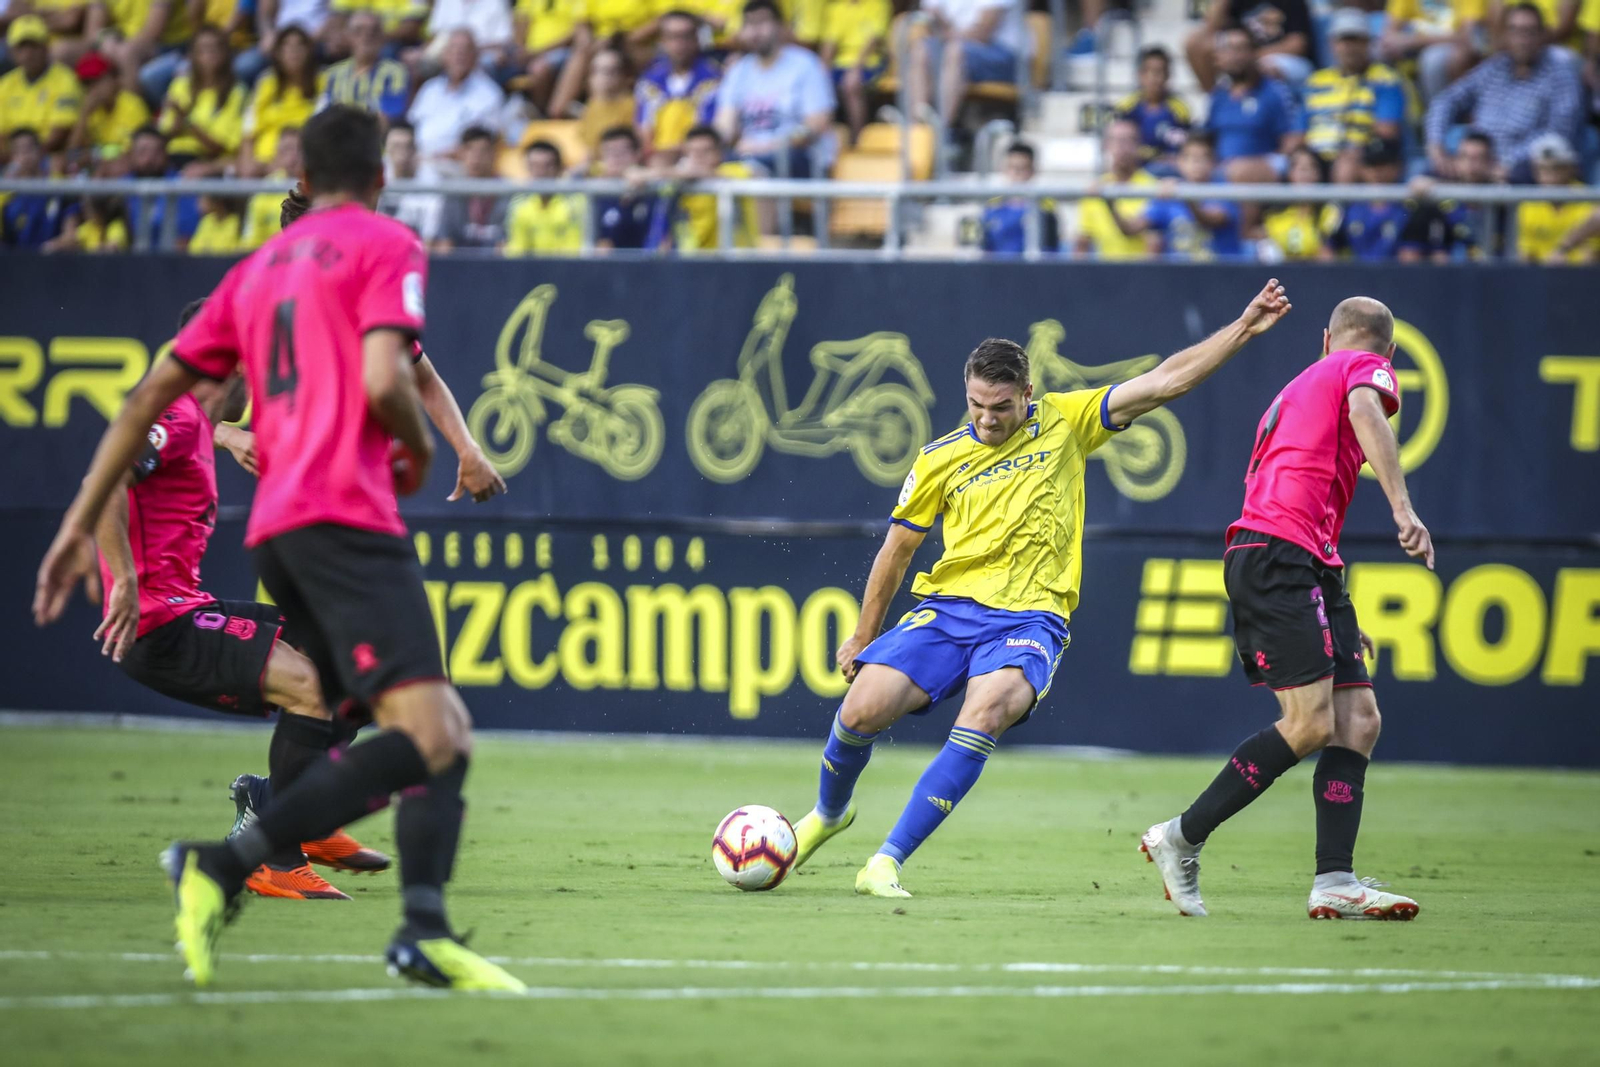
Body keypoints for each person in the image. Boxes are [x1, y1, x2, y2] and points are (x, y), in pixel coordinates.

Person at [32, 104, 524, 993]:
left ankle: (258, 855)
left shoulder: (255, 273)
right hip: (346, 517)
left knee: (367, 710)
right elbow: (390, 374)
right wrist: (414, 446)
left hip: (278, 532)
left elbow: (143, 401)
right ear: (379, 180)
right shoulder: (385, 245)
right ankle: (394, 917)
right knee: (436, 723)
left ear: (300, 179)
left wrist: (74, 531)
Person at [790, 280, 1294, 898]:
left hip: (1030, 618)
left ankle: (886, 861)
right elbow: (898, 549)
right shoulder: (938, 458)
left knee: (989, 708)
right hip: (949, 609)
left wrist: (1242, 328)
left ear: (1027, 394)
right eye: (976, 403)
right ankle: (828, 813)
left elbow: (1166, 381)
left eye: (1000, 405)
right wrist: (863, 636)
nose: (986, 417)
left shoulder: (1067, 421)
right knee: (861, 707)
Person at [1140, 297, 1431, 922]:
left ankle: (1335, 881)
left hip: (1301, 560)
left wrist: (1330, 609)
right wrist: (1403, 510)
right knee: (1310, 724)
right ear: (1390, 353)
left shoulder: (1301, 384)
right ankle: (1180, 837)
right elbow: (1364, 412)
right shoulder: (1363, 371)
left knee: (1360, 720)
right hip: (1280, 555)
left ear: (1325, 338)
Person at [89, 299, 378, 899]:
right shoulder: (178, 417)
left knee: (359, 660)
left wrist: (222, 433)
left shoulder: (197, 423)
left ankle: (292, 811)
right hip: (159, 626)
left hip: (189, 607)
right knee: (312, 687)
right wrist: (123, 578)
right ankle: (273, 853)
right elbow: (105, 477)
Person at [1425, 3, 1584, 182]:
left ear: (1542, 35)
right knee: (1423, 181)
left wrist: (1504, 161)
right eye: (1515, 31)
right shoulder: (1494, 67)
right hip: (1477, 162)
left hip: (1522, 168)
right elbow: (1446, 100)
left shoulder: (1560, 75)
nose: (1522, 40)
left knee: (1534, 169)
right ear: (1506, 35)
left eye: (1529, 31)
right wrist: (1436, 145)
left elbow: (1558, 134)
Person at [714, 0, 835, 178]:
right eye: (749, 23)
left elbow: (817, 124)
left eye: (762, 22)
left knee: (753, 169)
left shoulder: (806, 64)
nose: (755, 31)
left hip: (801, 158)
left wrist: (769, 146)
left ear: (780, 26)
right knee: (707, 168)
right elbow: (725, 124)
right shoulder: (738, 71)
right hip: (749, 154)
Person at [1303, 9, 1407, 184]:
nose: (1349, 47)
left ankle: (1337, 212)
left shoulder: (1385, 79)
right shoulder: (1316, 81)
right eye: (1343, 40)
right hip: (1316, 154)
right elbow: (1298, 131)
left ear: (1367, 43)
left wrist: (1352, 148)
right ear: (1332, 43)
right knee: (1300, 165)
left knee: (1346, 164)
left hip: (1360, 155)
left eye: (1355, 40)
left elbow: (1387, 131)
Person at [1202, 26, 1305, 184]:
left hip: (1262, 173)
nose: (1235, 56)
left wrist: (1257, 166)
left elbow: (1292, 139)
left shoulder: (1274, 91)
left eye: (1241, 48)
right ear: (1219, 57)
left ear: (1254, 52)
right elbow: (1208, 138)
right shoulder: (1218, 96)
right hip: (1222, 172)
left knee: (1240, 173)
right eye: (1228, 49)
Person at [909, 0, 1027, 123]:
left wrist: (947, 31)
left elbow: (983, 31)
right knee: (920, 50)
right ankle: (918, 127)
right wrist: (942, 26)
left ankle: (941, 131)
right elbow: (932, 24)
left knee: (955, 52)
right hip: (955, 45)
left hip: (1005, 56)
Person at [407, 29, 504, 177]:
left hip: (457, 167)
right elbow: (412, 126)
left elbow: (484, 144)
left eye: (465, 50)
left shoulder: (489, 94)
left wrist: (436, 157)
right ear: (444, 55)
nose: (459, 55)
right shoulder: (430, 88)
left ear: (476, 56)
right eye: (454, 49)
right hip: (419, 160)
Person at [650, 122, 757, 251]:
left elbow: (700, 172)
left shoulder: (736, 170)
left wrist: (648, 174)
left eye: (705, 151)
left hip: (736, 261)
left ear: (719, 154)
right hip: (693, 261)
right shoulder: (681, 182)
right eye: (692, 152)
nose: (698, 157)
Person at [1140, 132, 1244, 260]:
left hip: (1221, 274)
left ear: (1214, 162)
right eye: (1189, 157)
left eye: (1203, 158)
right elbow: (1131, 228)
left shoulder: (1224, 191)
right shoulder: (1170, 192)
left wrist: (1186, 196)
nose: (1196, 163)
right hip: (1178, 275)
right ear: (1179, 162)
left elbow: (1208, 219)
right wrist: (1111, 204)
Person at [157, 26, 245, 175]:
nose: (209, 54)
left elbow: (219, 146)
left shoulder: (236, 92)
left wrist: (186, 121)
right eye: (203, 49)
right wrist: (176, 125)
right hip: (171, 157)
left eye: (215, 48)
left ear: (225, 53)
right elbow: (164, 133)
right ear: (193, 55)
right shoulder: (180, 85)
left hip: (207, 160)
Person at [635, 8, 721, 162]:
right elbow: (643, 133)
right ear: (662, 41)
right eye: (672, 37)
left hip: (698, 161)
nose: (679, 43)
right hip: (654, 162)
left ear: (696, 39)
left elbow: (708, 133)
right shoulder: (649, 81)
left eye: (686, 36)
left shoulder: (714, 78)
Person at [240, 25, 321, 177]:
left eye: (299, 46)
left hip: (303, 166)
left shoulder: (323, 82)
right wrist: (248, 165)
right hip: (262, 168)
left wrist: (287, 162)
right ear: (278, 53)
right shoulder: (266, 82)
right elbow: (248, 131)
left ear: (309, 51)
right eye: (287, 46)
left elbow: (321, 132)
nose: (293, 51)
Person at [1073, 116, 1156, 261]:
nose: (1121, 147)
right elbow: (1082, 243)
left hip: (1141, 275)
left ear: (1139, 145)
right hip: (1105, 276)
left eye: (1128, 140)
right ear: (1106, 145)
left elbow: (1154, 246)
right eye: (1115, 140)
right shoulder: (1095, 189)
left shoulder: (1154, 188)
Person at [0, 15, 81, 160]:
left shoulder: (64, 79)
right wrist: (14, 158)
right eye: (22, 46)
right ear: (13, 52)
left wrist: (27, 157)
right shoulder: (5, 84)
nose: (28, 53)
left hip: (47, 158)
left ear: (46, 47)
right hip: (10, 158)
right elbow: (1, 136)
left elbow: (60, 133)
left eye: (34, 45)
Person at [1187, 0, 1315, 91]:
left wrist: (1252, 57)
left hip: (1286, 59)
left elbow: (1297, 45)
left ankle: (1271, 115)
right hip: (1244, 54)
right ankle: (1218, 102)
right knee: (1195, 44)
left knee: (1267, 65)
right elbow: (1210, 30)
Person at [1515, 131, 1600, 261]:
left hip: (1580, 275)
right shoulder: (1529, 204)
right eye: (1542, 169)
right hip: (1541, 275)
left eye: (1556, 168)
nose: (1550, 177)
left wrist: (1562, 251)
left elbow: (1592, 254)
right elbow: (1526, 256)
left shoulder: (1587, 199)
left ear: (1571, 169)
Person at [1380, 0, 1484, 103]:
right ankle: (1394, 114)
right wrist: (1394, 42)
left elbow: (1467, 37)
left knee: (1432, 59)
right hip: (1414, 45)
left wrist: (1412, 40)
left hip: (1450, 46)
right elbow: (1389, 31)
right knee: (1379, 52)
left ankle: (1437, 115)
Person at [1326, 137, 1412, 261]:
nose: (1377, 171)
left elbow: (1410, 258)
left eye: (1383, 163)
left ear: (1397, 167)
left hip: (1395, 278)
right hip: (1355, 277)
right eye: (1371, 164)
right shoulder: (1348, 208)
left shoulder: (1407, 208)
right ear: (1361, 169)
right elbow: (1328, 249)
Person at [819, 0, 889, 146]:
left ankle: (857, 142)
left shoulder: (879, 4)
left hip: (870, 62)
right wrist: (821, 71)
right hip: (840, 64)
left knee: (851, 83)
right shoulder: (836, 8)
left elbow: (873, 40)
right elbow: (829, 44)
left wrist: (856, 68)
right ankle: (826, 144)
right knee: (817, 84)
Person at [319, 10, 410, 121]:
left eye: (374, 31)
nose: (366, 36)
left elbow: (391, 115)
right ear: (348, 36)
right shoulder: (333, 73)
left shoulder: (396, 72)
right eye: (358, 31)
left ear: (383, 37)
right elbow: (324, 113)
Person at [1113, 45, 1191, 174]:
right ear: (1140, 75)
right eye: (1150, 71)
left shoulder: (1180, 110)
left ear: (1168, 76)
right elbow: (1118, 145)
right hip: (1132, 170)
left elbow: (1183, 150)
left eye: (1161, 72)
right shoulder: (1125, 107)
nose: (1156, 78)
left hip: (1166, 174)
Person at [433, 124, 508, 251]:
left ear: (494, 154)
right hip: (460, 266)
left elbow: (509, 245)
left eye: (483, 151)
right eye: (469, 150)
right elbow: (445, 242)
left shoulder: (508, 192)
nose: (476, 157)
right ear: (461, 154)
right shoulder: (453, 192)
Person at [504, 137, 584, 254]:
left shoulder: (576, 202)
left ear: (559, 169)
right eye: (535, 166)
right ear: (527, 168)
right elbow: (517, 251)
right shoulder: (519, 204)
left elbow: (575, 252)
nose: (541, 173)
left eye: (548, 166)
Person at [66, 50, 149, 163]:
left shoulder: (132, 105)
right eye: (87, 84)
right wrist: (84, 115)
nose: (93, 89)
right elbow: (73, 154)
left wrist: (96, 157)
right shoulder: (91, 111)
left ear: (113, 79)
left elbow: (135, 153)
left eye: (97, 81)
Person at [977, 140, 1059, 254]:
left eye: (1022, 168)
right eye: (1011, 167)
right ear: (1004, 169)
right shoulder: (992, 206)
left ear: (1032, 171)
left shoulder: (1045, 206)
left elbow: (1051, 249)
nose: (1016, 173)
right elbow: (985, 249)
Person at [1261, 144, 1336, 261]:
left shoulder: (1330, 211)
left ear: (1319, 174)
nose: (1304, 172)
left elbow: (1328, 254)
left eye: (1311, 167)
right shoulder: (1274, 213)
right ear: (1290, 173)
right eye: (1298, 167)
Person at [378, 119, 443, 242]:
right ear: (386, 148)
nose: (402, 153)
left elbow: (429, 235)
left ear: (415, 149)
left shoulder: (431, 180)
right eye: (396, 146)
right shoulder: (375, 175)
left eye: (407, 146)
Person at [592, 124, 655, 250]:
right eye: (609, 152)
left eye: (622, 152)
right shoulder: (593, 194)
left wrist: (646, 175)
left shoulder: (653, 189)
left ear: (637, 154)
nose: (615, 158)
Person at [513, 0, 579, 116]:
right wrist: (520, 50)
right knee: (493, 64)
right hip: (530, 53)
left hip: (564, 50)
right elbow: (521, 19)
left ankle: (541, 114)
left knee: (539, 68)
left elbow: (575, 33)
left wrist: (539, 52)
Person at [574, 45, 635, 167]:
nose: (603, 77)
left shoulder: (633, 106)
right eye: (597, 71)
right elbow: (589, 149)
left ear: (623, 75)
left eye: (610, 72)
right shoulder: (592, 106)